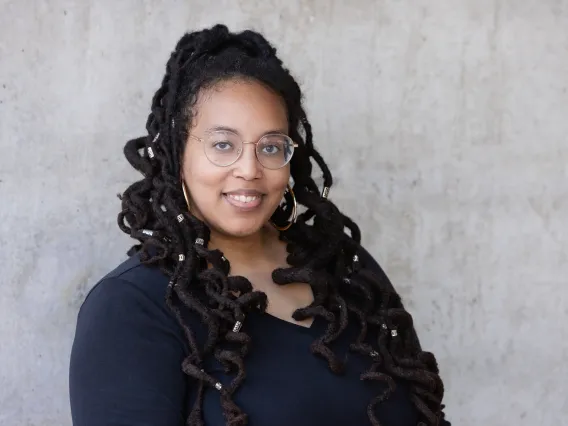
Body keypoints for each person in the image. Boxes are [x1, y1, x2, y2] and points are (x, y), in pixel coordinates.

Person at [69, 24, 450, 426]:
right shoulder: (131, 309)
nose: (249, 170)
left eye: (270, 147)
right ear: (177, 152)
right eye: (223, 145)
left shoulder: (344, 270)